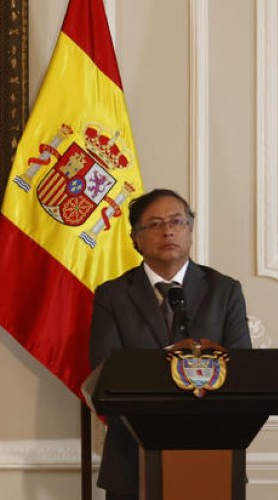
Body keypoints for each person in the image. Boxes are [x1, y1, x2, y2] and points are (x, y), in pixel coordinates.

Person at [89, 188, 251, 500]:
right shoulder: (113, 295)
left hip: (212, 451)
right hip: (132, 457)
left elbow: (241, 367)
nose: (168, 230)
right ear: (135, 238)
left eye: (177, 221)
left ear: (190, 229)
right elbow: (104, 372)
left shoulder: (225, 290)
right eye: (154, 224)